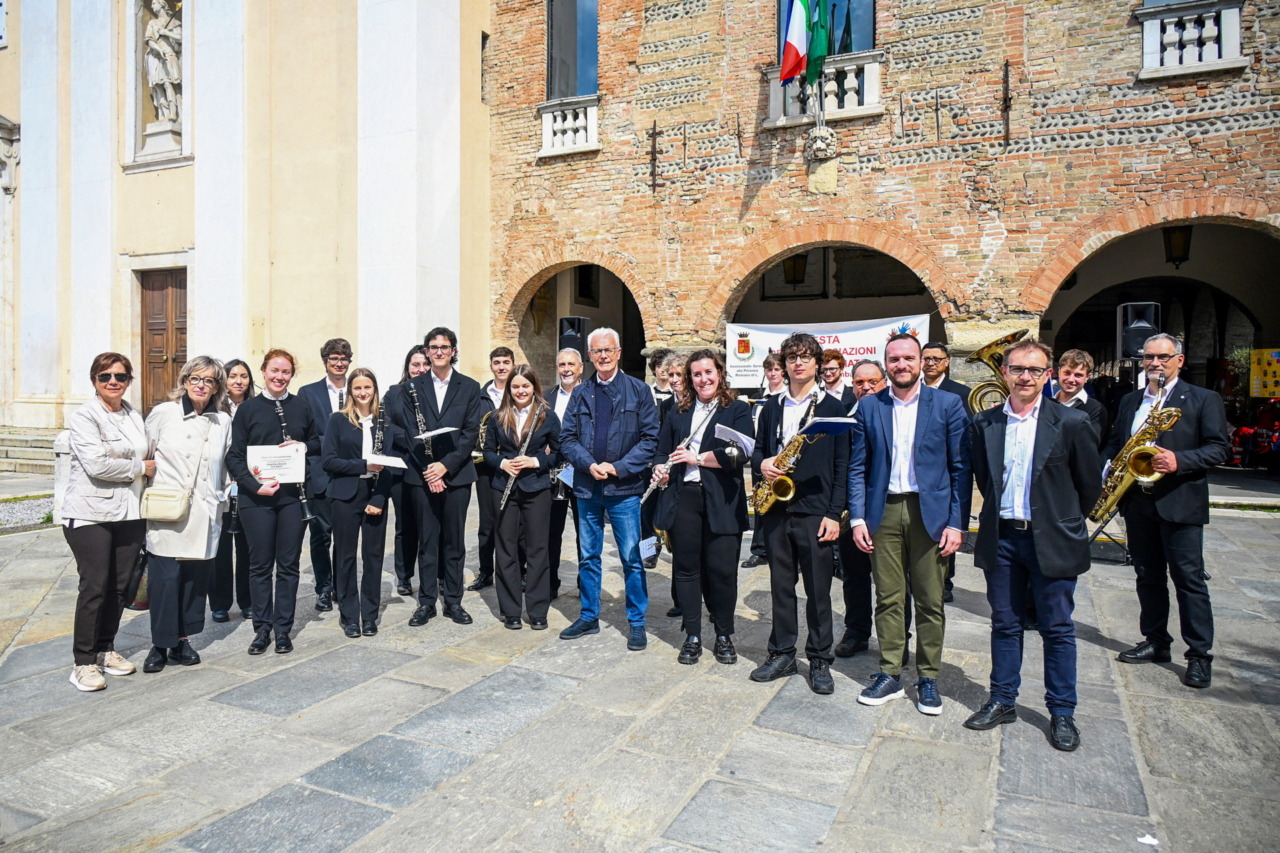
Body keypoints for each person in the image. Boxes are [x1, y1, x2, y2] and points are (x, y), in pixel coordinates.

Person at [965, 340, 1102, 751]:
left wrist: (1061, 521)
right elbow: (983, 479)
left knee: (1057, 629)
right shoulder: (984, 424)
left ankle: (1062, 711)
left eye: (1035, 370)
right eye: (1018, 369)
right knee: (1004, 624)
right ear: (1004, 372)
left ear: (1049, 376)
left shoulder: (1072, 422)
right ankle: (1003, 699)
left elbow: (1088, 487)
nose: (1026, 377)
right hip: (1003, 538)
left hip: (1053, 540)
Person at [848, 333, 971, 714]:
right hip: (882, 512)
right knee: (888, 597)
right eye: (894, 359)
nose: (902, 365)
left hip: (929, 514)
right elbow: (858, 467)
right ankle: (889, 673)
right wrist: (856, 517)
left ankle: (928, 677)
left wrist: (957, 522)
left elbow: (960, 469)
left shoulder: (948, 404)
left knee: (930, 600)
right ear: (887, 365)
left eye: (908, 358)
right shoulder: (870, 407)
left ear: (921, 362)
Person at [1106, 333, 1230, 688]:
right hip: (1139, 501)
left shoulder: (1203, 398)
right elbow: (1117, 443)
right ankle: (1156, 641)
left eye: (1163, 357)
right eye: (1148, 358)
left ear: (1180, 360)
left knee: (1189, 581)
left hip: (1180, 502)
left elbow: (1219, 448)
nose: (1155, 364)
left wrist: (1179, 460)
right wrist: (1108, 468)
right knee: (1147, 576)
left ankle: (1199, 655)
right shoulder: (1131, 401)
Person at [750, 332, 849, 694]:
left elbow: (842, 467)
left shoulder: (833, 409)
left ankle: (821, 659)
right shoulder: (772, 406)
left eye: (806, 357)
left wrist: (833, 514)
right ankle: (782, 652)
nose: (798, 363)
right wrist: (763, 464)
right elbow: (758, 450)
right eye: (792, 357)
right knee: (780, 587)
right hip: (777, 508)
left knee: (819, 590)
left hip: (814, 512)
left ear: (818, 364)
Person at [558, 327, 659, 650]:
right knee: (589, 556)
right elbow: (567, 439)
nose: (603, 356)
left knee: (631, 557)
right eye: (597, 351)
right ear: (589, 356)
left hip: (625, 489)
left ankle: (637, 623)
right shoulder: (580, 393)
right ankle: (589, 616)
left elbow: (649, 440)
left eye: (608, 350)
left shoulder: (639, 391)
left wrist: (618, 467)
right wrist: (589, 465)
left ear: (618, 353)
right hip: (588, 488)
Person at [651, 349, 753, 665]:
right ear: (690, 379)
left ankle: (723, 635)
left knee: (722, 571)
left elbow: (740, 454)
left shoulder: (736, 409)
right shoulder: (677, 412)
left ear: (719, 373)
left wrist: (697, 458)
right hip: (685, 498)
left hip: (722, 498)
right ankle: (693, 634)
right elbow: (661, 450)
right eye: (696, 374)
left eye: (708, 372)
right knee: (686, 569)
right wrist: (659, 468)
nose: (703, 379)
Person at [62, 354, 154, 691]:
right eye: (105, 376)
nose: (113, 382)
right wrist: (139, 468)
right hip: (89, 514)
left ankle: (105, 648)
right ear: (94, 380)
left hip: (129, 511)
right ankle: (83, 662)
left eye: (120, 376)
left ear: (130, 380)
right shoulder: (85, 416)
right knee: (95, 587)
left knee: (119, 586)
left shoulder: (133, 415)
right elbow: (97, 466)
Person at [385, 327, 484, 628]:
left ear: (454, 350)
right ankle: (426, 602)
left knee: (454, 541)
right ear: (426, 352)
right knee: (427, 541)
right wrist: (430, 468)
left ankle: (453, 601)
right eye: (433, 347)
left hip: (456, 475)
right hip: (420, 473)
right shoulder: (409, 388)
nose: (439, 351)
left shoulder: (469, 386)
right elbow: (399, 431)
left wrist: (445, 467)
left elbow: (469, 434)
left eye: (445, 346)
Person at [141, 356, 234, 673]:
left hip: (205, 511)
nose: (201, 385)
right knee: (165, 579)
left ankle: (182, 639)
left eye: (209, 381)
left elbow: (227, 462)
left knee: (195, 580)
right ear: (184, 380)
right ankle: (159, 643)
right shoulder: (164, 413)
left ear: (216, 387)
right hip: (169, 508)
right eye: (196, 378)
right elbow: (146, 453)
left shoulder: (222, 421)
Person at [226, 349, 322, 655]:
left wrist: (303, 445)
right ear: (264, 372)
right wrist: (255, 486)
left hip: (292, 498)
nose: (279, 377)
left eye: (286, 372)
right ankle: (262, 629)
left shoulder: (302, 406)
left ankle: (283, 629)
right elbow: (235, 456)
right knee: (259, 565)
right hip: (258, 499)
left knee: (289, 565)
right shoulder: (248, 409)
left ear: (292, 375)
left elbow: (320, 441)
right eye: (274, 371)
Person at [323, 368, 400, 638]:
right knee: (344, 557)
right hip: (345, 495)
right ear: (350, 391)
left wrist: (379, 497)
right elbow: (329, 461)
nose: (363, 393)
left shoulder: (384, 423)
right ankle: (349, 616)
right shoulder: (337, 420)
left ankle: (369, 616)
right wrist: (363, 464)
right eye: (357, 388)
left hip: (375, 494)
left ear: (374, 390)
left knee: (373, 557)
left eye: (367, 387)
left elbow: (392, 466)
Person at [484, 365, 561, 630]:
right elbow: (487, 452)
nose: (520, 391)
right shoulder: (497, 416)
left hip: (536, 488)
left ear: (534, 387)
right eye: (515, 386)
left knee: (538, 549)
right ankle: (511, 611)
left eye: (525, 386)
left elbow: (558, 455)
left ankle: (538, 611)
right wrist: (503, 463)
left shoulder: (547, 417)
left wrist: (535, 461)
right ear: (509, 389)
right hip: (503, 487)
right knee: (506, 549)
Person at [297, 338, 353, 613]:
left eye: (343, 359)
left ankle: (342, 587)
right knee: (320, 537)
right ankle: (324, 588)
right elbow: (305, 434)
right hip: (319, 473)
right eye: (334, 359)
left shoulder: (357, 389)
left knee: (345, 536)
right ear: (325, 362)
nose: (339, 363)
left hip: (350, 474)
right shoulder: (308, 393)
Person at [835, 359, 886, 659]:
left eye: (873, 381)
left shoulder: (894, 415)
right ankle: (856, 632)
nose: (866, 387)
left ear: (884, 382)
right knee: (853, 578)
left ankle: (896, 639)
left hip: (886, 513)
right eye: (859, 382)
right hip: (850, 514)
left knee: (891, 583)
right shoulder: (843, 418)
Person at [921, 341, 972, 603]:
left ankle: (946, 581)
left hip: (946, 468)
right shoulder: (913, 390)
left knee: (945, 529)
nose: (930, 363)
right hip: (922, 469)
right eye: (926, 358)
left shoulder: (959, 393)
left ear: (947, 362)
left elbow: (965, 433)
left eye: (936, 359)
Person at [210, 359, 256, 623]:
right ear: (224, 380)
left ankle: (247, 601)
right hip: (221, 485)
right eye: (233, 376)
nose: (239, 381)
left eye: (244, 376)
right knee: (221, 547)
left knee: (248, 547)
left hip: (249, 484)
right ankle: (219, 602)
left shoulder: (255, 407)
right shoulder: (215, 409)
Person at [469, 347, 516, 592]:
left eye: (506, 362)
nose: (501, 367)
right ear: (491, 365)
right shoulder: (480, 396)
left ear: (512, 364)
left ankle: (518, 570)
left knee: (515, 522)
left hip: (515, 465)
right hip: (486, 466)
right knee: (487, 522)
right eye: (497, 362)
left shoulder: (520, 391)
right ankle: (486, 571)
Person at [383, 345, 428, 597]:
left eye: (425, 364)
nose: (420, 369)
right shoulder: (394, 393)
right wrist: (414, 439)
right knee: (405, 524)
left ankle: (434, 573)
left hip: (430, 467)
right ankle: (404, 575)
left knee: (431, 525)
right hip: (402, 466)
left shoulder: (437, 393)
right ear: (407, 367)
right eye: (415, 364)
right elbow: (387, 425)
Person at [742, 352, 786, 570]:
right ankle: (759, 550)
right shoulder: (757, 398)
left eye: (777, 369)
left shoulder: (786, 397)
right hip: (759, 455)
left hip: (780, 458)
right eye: (770, 370)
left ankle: (780, 548)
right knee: (760, 503)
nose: (773, 373)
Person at [546, 347, 584, 599]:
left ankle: (586, 584)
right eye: (562, 365)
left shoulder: (592, 393)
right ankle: (549, 583)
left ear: (581, 367)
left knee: (586, 532)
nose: (566, 369)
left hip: (582, 472)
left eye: (571, 364)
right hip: (552, 474)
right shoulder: (546, 396)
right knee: (551, 531)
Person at [1054, 349, 1109, 448]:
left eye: (1078, 375)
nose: (1071, 379)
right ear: (1059, 372)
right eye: (1067, 373)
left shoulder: (1095, 410)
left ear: (1087, 377)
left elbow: (1086, 448)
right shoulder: (1046, 403)